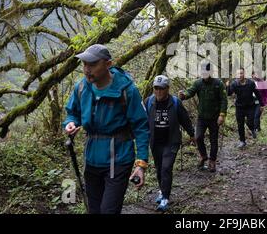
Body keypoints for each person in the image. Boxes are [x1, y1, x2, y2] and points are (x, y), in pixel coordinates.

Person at [63, 44, 149, 214]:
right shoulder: (81, 88)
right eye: (84, 64)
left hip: (119, 158)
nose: (87, 69)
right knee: (94, 210)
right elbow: (72, 112)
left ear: (108, 64)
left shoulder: (127, 90)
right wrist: (70, 123)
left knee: (109, 210)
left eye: (93, 64)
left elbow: (141, 126)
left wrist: (141, 164)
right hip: (92, 158)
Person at [143, 75, 195, 212]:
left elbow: (185, 120)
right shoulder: (148, 102)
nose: (159, 92)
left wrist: (192, 134)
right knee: (160, 168)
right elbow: (141, 121)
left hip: (171, 142)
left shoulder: (175, 103)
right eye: (156, 88)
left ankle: (165, 197)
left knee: (166, 168)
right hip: (155, 142)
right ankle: (162, 190)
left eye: (162, 89)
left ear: (167, 89)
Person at [178, 61, 227, 172]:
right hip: (202, 117)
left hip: (215, 117)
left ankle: (212, 161)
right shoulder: (198, 83)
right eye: (203, 71)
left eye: (206, 71)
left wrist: (222, 115)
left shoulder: (218, 84)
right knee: (198, 137)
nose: (204, 74)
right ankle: (203, 156)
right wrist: (183, 95)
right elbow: (190, 92)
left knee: (214, 140)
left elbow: (224, 100)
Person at [227, 68, 264, 148]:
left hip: (250, 106)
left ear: (244, 74)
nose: (239, 75)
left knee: (250, 122)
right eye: (238, 74)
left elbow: (257, 94)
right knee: (240, 124)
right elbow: (229, 93)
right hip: (239, 107)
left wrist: (262, 105)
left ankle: (252, 129)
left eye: (241, 73)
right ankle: (242, 141)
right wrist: (227, 86)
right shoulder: (234, 84)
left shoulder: (251, 83)